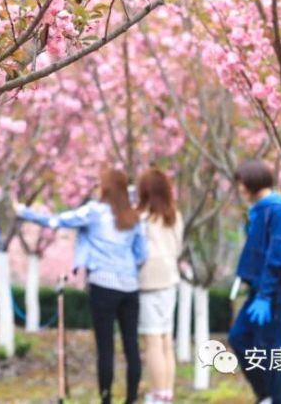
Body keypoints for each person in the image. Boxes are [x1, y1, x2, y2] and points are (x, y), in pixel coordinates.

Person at [16, 169, 146, 404]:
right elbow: (141, 254)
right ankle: (130, 400)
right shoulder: (134, 216)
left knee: (105, 347)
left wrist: (24, 213)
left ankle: (106, 398)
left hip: (103, 286)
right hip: (130, 287)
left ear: (106, 188)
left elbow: (58, 221)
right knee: (131, 346)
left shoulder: (95, 212)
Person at [227, 160, 281, 404]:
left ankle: (278, 399)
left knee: (274, 351)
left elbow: (279, 253)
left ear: (251, 183)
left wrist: (265, 294)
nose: (239, 189)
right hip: (260, 290)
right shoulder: (261, 211)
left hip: (275, 292)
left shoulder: (279, 210)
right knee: (240, 337)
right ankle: (267, 396)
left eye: (241, 184)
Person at [136, 169, 184, 404]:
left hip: (149, 283)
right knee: (166, 340)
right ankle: (166, 393)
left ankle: (156, 395)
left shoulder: (141, 218)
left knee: (152, 341)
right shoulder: (174, 216)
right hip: (170, 281)